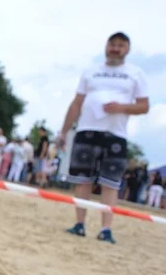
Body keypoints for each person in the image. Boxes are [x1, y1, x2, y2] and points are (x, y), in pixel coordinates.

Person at [61, 32, 150, 243]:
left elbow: (144, 106)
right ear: (106, 46)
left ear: (127, 49)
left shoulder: (135, 73)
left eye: (121, 45)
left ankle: (106, 229)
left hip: (115, 134)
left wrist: (122, 107)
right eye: (112, 44)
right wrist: (64, 131)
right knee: (82, 179)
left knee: (111, 182)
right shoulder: (91, 72)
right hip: (86, 130)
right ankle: (79, 224)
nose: (115, 48)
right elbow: (77, 102)